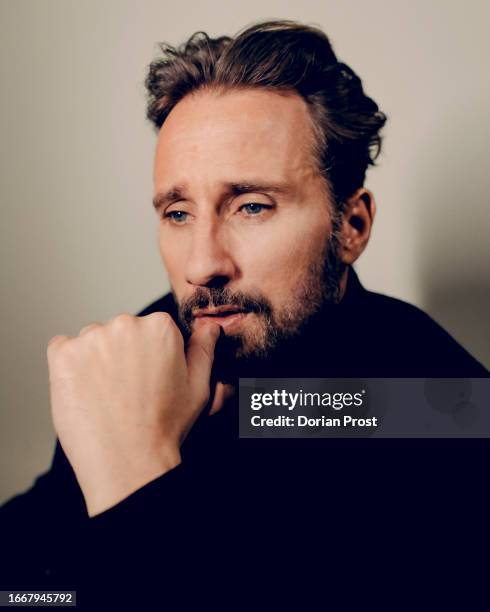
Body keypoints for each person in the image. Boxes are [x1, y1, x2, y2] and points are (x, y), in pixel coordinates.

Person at [1, 20, 487, 608]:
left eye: (252, 206)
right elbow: (30, 568)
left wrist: (137, 477)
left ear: (351, 227)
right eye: (178, 213)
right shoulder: (160, 346)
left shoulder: (442, 408)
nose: (202, 265)